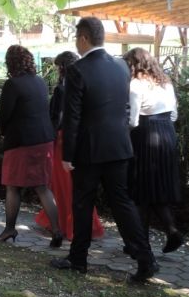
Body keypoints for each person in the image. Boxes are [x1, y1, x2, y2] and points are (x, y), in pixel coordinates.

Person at [52, 17, 158, 282]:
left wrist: (67, 155)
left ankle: (78, 259)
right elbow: (124, 107)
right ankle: (146, 259)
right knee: (122, 203)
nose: (76, 43)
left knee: (82, 204)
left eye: (77, 38)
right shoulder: (121, 66)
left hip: (88, 150)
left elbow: (72, 116)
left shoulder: (78, 70)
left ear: (84, 38)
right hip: (119, 146)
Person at [34, 52, 104, 240]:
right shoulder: (89, 84)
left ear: (62, 68)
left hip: (63, 139)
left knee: (62, 183)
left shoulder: (62, 89)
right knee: (78, 184)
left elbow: (56, 117)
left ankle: (64, 224)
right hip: (84, 138)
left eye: (58, 67)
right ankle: (82, 224)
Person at [0, 45, 60, 246]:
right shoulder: (40, 82)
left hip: (21, 142)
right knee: (43, 187)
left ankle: (9, 229)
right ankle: (57, 231)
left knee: (13, 187)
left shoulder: (12, 84)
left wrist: (3, 132)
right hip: (44, 140)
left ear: (10, 63)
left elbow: (4, 115)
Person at [122, 48, 183, 253]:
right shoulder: (166, 82)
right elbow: (174, 114)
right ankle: (171, 231)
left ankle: (141, 243)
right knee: (156, 188)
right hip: (167, 133)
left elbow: (133, 120)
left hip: (146, 136)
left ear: (133, 65)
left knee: (141, 191)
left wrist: (125, 134)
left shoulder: (136, 85)